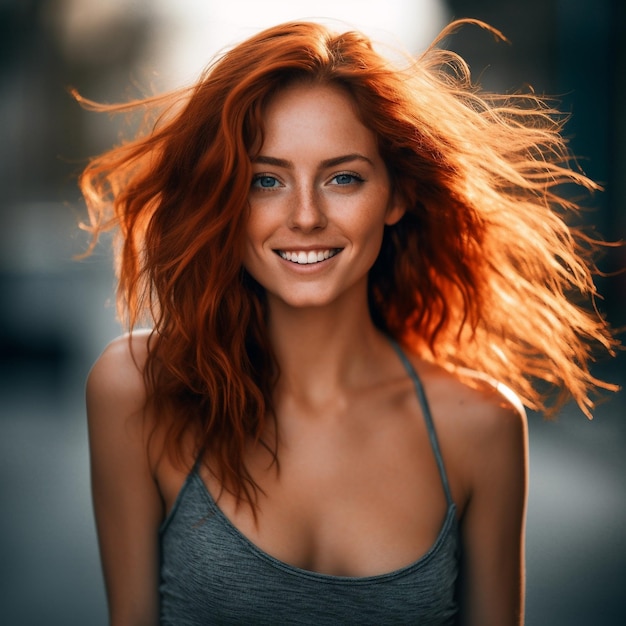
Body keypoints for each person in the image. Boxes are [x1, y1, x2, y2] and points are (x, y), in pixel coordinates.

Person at [77, 18, 618, 626]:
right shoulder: (139, 390)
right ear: (225, 197)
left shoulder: (481, 426)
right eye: (265, 180)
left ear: (395, 196)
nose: (305, 216)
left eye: (343, 178)